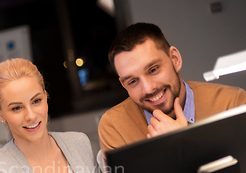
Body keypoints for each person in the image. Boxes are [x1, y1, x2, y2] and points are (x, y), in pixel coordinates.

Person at [98, 22, 246, 155]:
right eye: (133, 81)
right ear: (124, 85)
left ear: (174, 59)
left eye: (153, 69)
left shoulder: (232, 103)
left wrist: (186, 141)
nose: (148, 89)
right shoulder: (114, 126)